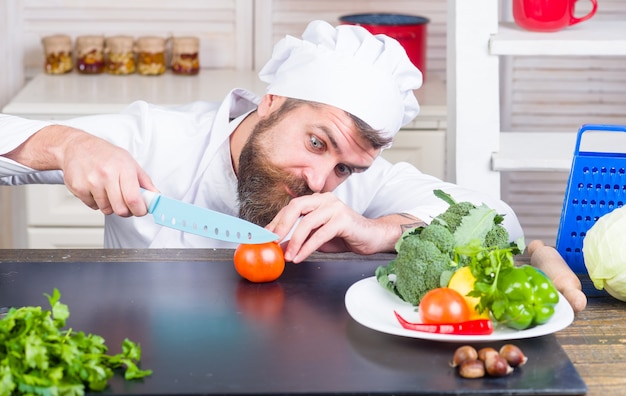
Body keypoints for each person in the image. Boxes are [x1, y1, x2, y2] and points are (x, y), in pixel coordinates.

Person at [0, 20, 523, 264]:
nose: (320, 182)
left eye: (346, 168)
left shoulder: (357, 190)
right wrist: (66, 145)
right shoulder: (157, 139)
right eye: (317, 143)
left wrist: (383, 231)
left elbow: (502, 224)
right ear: (273, 101)